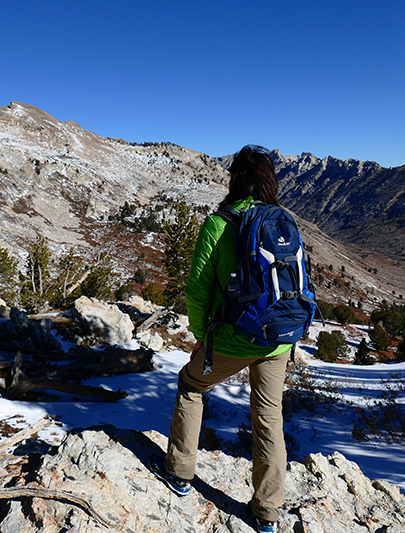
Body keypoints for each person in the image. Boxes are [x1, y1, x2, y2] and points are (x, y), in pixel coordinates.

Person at [149, 145, 290, 533]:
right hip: (278, 338)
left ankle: (179, 473)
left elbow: (197, 290)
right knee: (269, 416)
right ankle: (267, 512)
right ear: (268, 181)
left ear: (234, 179)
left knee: (191, 386)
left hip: (231, 338)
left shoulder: (218, 224)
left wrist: (200, 338)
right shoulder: (282, 219)